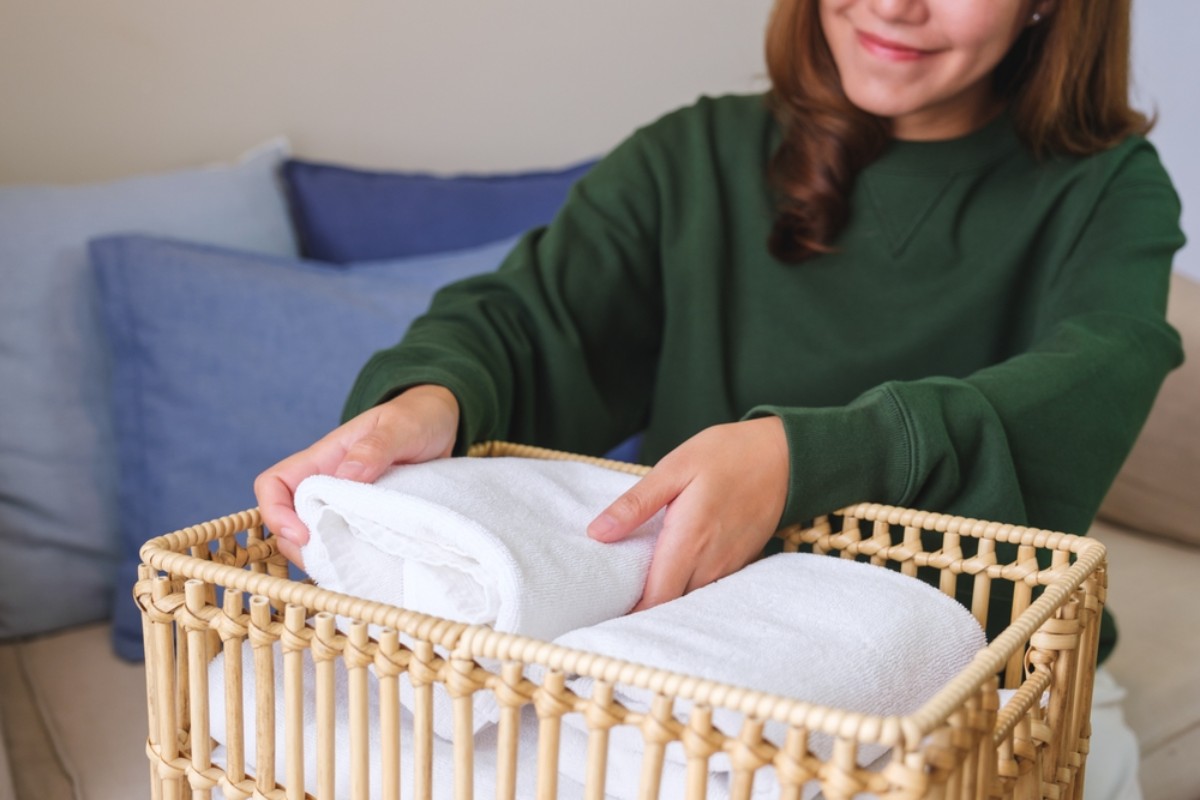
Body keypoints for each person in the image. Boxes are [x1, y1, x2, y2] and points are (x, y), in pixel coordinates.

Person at [256, 0, 1183, 796]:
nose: (893, 6)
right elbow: (530, 317)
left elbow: (1098, 372)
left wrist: (802, 459)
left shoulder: (1106, 190)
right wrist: (431, 396)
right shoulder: (694, 155)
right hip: (685, 658)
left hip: (986, 672)